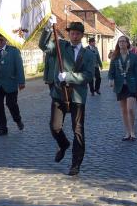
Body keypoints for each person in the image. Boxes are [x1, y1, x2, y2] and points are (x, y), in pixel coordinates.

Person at [39, 17, 96, 177]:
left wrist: (69, 77)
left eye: (77, 34)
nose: (74, 36)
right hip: (59, 93)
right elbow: (43, 46)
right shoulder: (60, 46)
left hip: (77, 96)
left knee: (78, 130)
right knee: (55, 127)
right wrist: (47, 29)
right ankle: (63, 144)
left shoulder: (89, 54)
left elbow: (88, 76)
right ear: (69, 34)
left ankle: (75, 164)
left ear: (82, 36)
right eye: (72, 33)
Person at [108, 35, 137, 140]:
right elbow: (111, 71)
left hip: (131, 85)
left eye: (123, 41)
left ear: (127, 43)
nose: (121, 43)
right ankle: (127, 132)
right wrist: (111, 79)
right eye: (120, 41)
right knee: (124, 110)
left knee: (130, 109)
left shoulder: (134, 57)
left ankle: (133, 131)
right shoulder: (115, 57)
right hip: (120, 86)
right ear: (118, 44)